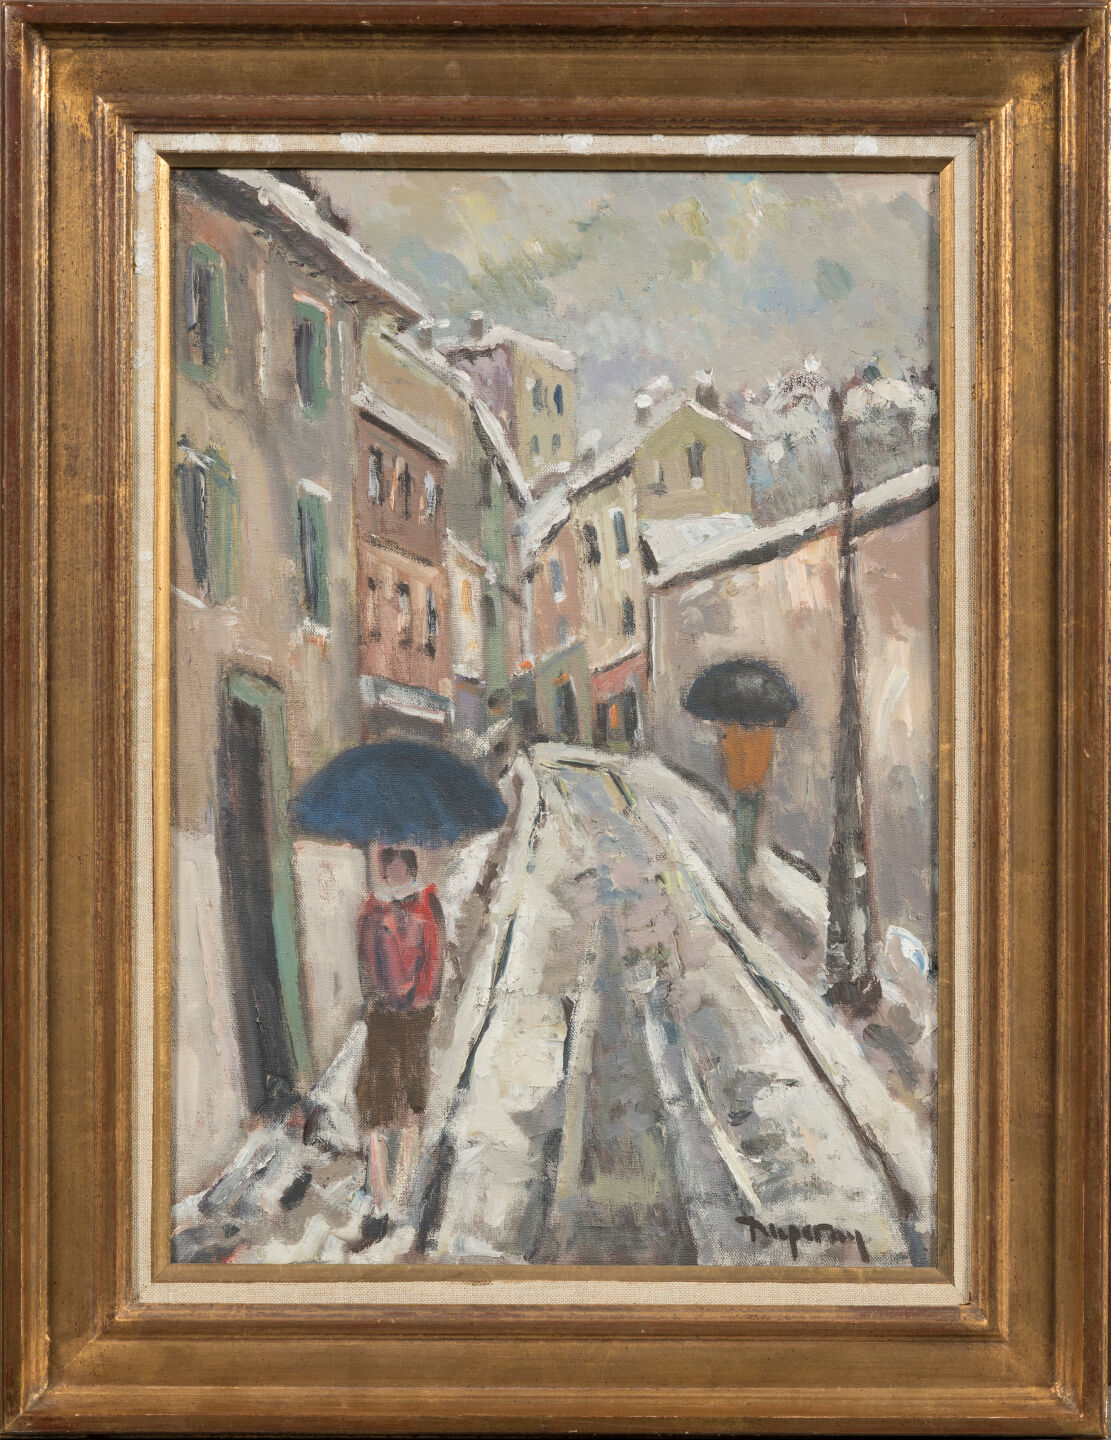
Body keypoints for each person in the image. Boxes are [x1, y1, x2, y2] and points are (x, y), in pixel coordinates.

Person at [354, 845, 445, 1231]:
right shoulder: (371, 912)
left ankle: (405, 1190)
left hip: (415, 1018)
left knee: (412, 1102)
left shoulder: (427, 905)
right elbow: (365, 960)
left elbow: (435, 957)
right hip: (383, 1018)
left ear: (409, 869)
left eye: (399, 867)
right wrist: (378, 998)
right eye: (389, 867)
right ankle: (379, 1195)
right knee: (376, 1106)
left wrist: (422, 998)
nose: (394, 873)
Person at [718, 722, 774, 895]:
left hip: (754, 791)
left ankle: (748, 872)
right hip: (743, 791)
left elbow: (764, 760)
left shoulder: (764, 733)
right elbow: (732, 762)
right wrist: (747, 783)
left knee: (750, 834)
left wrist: (755, 783)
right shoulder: (734, 733)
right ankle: (744, 878)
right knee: (744, 835)